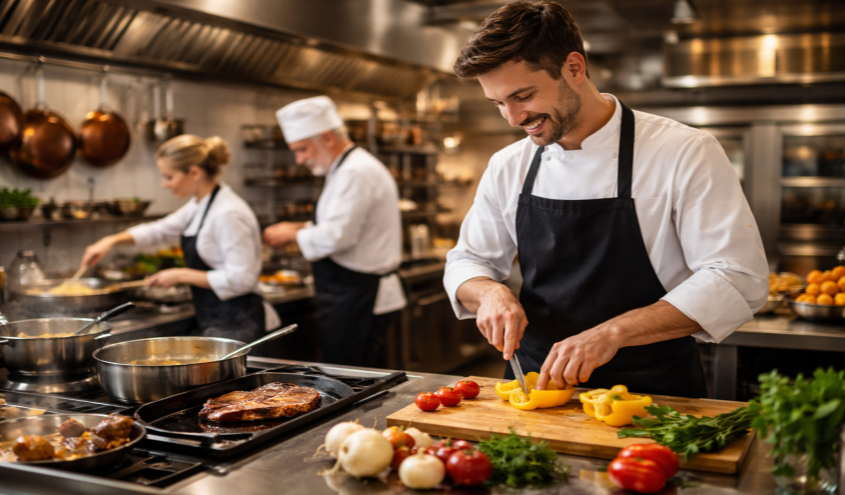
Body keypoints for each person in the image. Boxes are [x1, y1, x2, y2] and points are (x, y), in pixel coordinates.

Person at [444, 1, 768, 398]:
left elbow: (737, 277)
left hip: (653, 393)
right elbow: (468, 260)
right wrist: (490, 293)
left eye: (523, 96)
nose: (513, 118)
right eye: (498, 104)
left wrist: (613, 333)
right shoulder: (508, 164)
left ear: (574, 68)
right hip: (536, 385)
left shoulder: (684, 151)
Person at [82, 135, 280, 342]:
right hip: (216, 317)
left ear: (194, 172)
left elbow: (243, 279)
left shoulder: (228, 213)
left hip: (241, 320)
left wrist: (181, 275)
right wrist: (110, 241)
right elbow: (159, 230)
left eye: (169, 177)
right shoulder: (200, 205)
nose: (164, 185)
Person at [263, 96, 406, 368]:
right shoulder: (344, 168)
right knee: (356, 373)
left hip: (361, 295)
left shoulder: (355, 172)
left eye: (302, 149)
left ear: (327, 138)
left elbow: (337, 237)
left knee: (354, 376)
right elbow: (344, 225)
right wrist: (299, 227)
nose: (300, 159)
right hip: (353, 293)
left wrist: (292, 236)